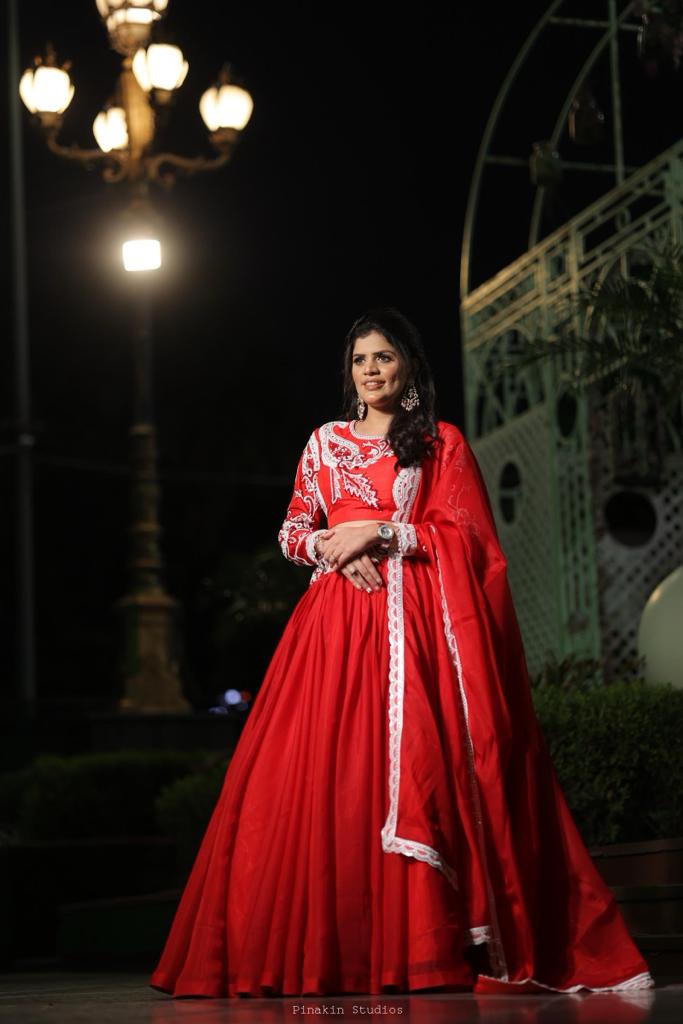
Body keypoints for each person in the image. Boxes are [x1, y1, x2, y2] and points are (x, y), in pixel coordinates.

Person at [149, 307, 654, 998]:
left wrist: (378, 534)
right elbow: (293, 528)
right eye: (360, 360)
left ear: (409, 367)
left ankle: (422, 948)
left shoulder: (438, 443)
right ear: (349, 371)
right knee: (329, 784)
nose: (372, 370)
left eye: (385, 357)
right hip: (330, 633)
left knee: (416, 775)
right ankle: (335, 952)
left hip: (414, 630)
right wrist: (330, 546)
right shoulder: (323, 443)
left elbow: (469, 538)